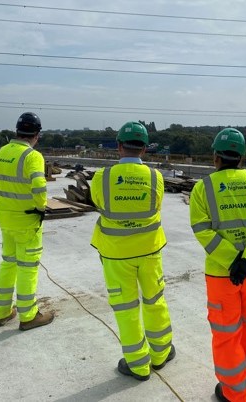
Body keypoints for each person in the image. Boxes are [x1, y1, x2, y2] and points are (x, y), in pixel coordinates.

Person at [190, 128, 246, 402]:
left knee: (227, 335)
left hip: (221, 276)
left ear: (215, 156)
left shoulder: (203, 188)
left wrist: (232, 261)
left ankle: (235, 393)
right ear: (241, 157)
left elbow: (202, 229)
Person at [90, 121, 175, 381]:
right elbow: (156, 205)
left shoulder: (102, 178)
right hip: (149, 251)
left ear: (118, 147)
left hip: (116, 254)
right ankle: (161, 353)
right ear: (145, 149)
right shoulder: (155, 177)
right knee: (155, 300)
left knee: (126, 308)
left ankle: (138, 365)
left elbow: (98, 203)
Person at [0, 112, 54, 331]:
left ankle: (2, 312)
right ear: (37, 134)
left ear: (17, 131)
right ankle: (28, 315)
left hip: (5, 218)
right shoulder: (32, 156)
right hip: (27, 219)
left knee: (8, 263)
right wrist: (41, 207)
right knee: (28, 266)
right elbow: (39, 188)